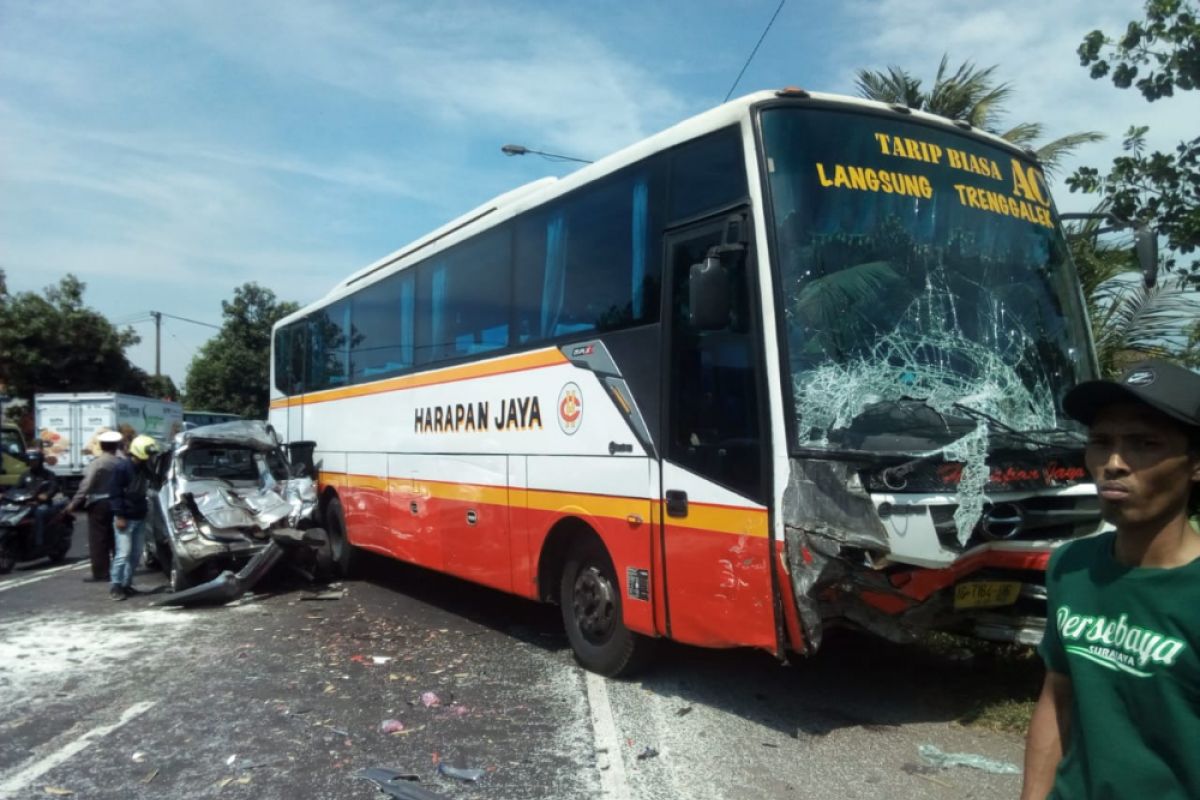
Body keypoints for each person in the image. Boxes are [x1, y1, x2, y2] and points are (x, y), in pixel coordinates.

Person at [1021, 359, 1200, 799]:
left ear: (1196, 465)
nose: (1114, 463)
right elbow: (1058, 697)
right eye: (1101, 442)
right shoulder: (1071, 567)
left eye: (1144, 443)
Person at [66, 430, 124, 582]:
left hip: (98, 504)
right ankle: (120, 570)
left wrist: (74, 504)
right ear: (116, 445)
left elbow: (86, 486)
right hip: (118, 503)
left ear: (101, 446)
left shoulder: (98, 463)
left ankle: (100, 573)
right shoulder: (121, 462)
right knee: (116, 538)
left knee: (98, 539)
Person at [106, 434, 158, 600]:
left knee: (135, 554)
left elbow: (155, 480)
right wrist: (119, 515)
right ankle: (116, 586)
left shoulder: (144, 467)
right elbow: (115, 494)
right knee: (123, 553)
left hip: (140, 516)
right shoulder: (122, 468)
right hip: (125, 518)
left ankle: (126, 584)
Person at [15, 450, 64, 551]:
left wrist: (47, 495)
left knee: (39, 513)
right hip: (27, 504)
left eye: (35, 461)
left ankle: (39, 542)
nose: (32, 463)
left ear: (40, 461)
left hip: (43, 504)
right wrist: (5, 494)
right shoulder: (25, 475)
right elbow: (17, 488)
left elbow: (54, 487)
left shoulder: (48, 474)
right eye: (31, 461)